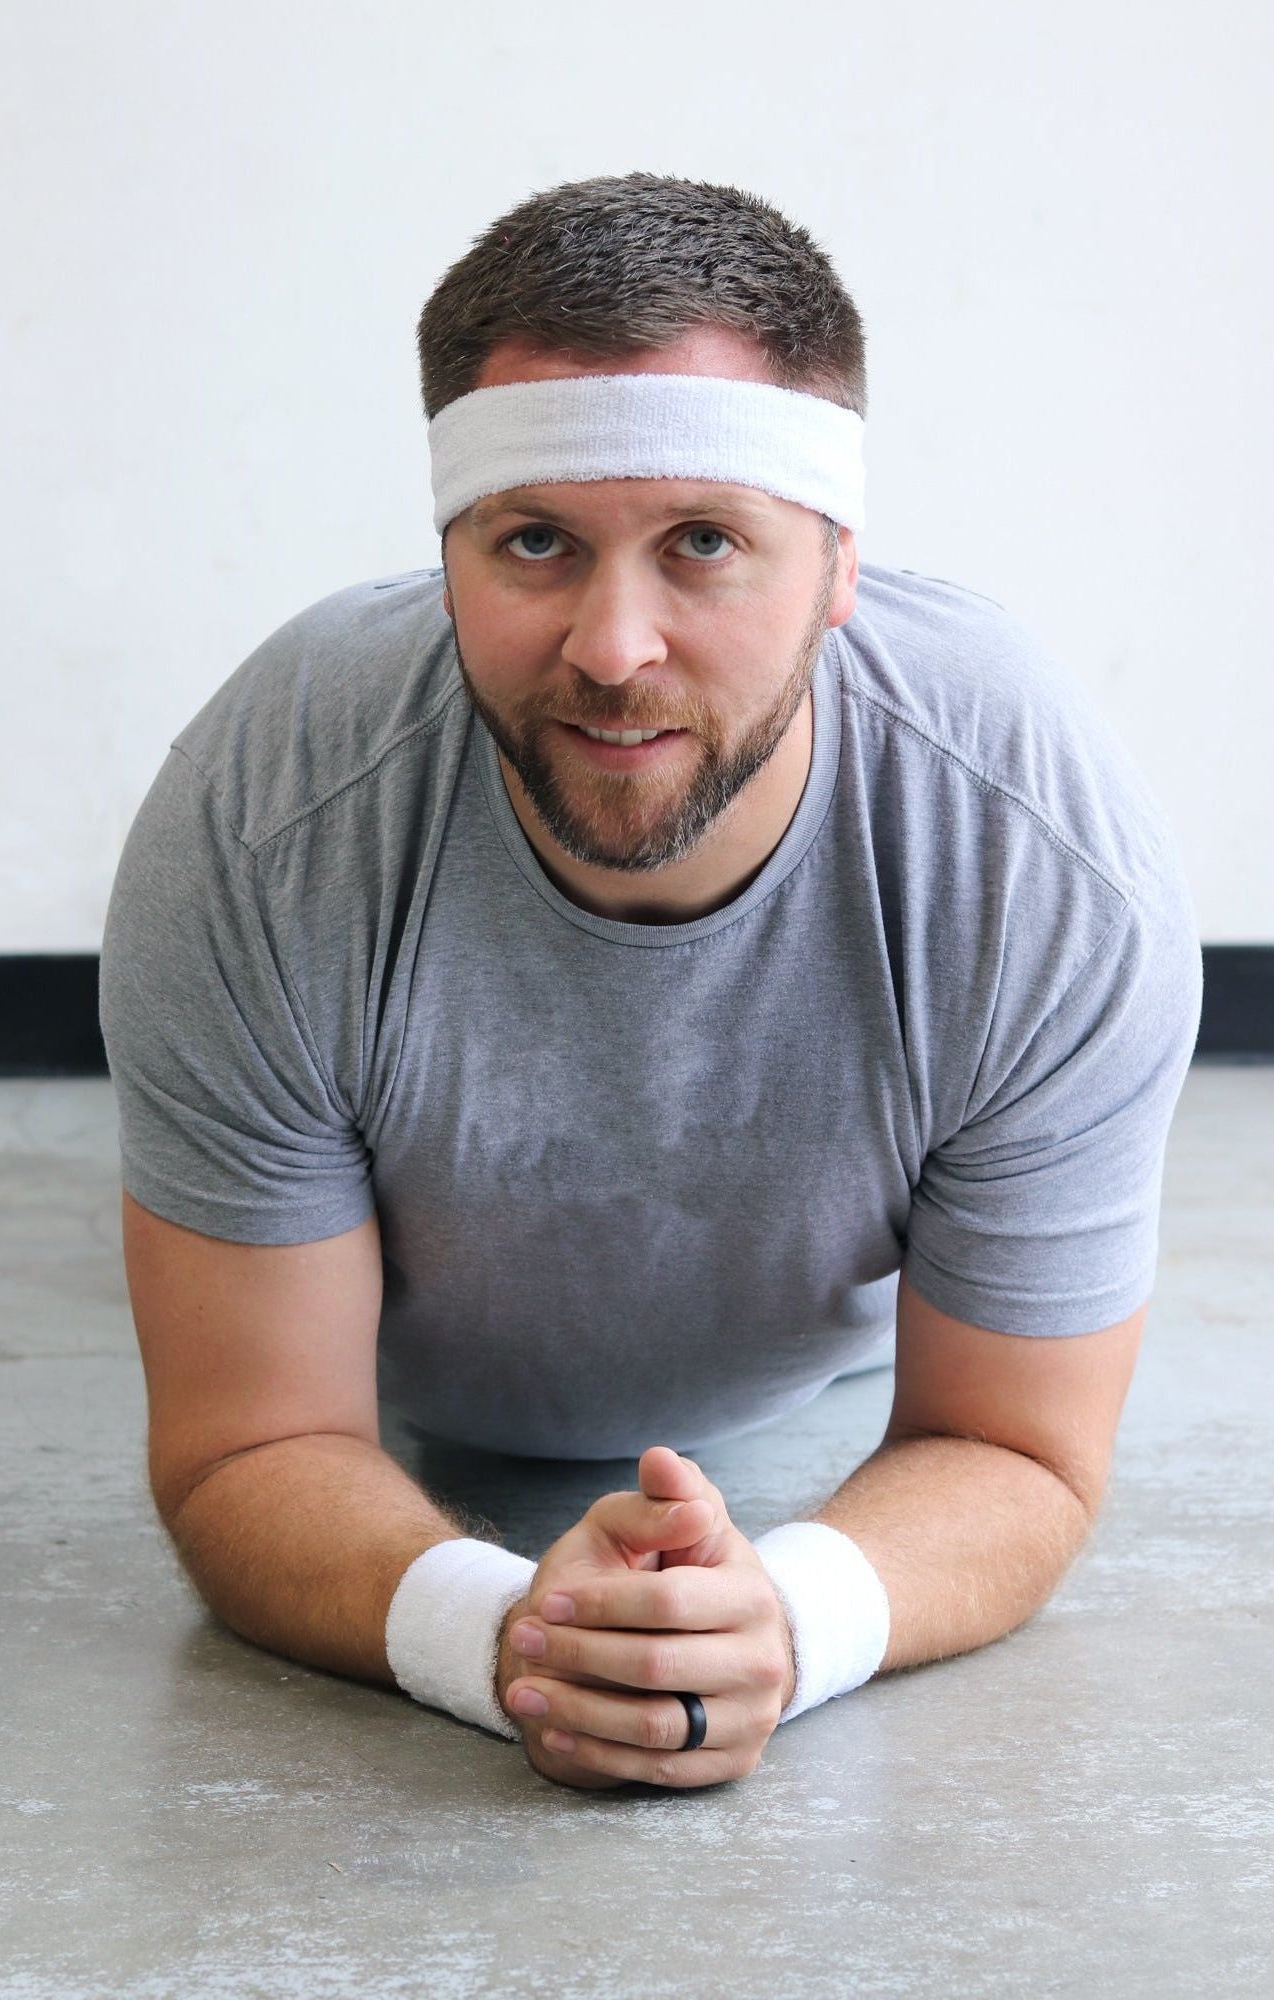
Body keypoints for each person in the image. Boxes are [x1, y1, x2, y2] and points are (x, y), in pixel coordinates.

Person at [98, 172, 1203, 1793]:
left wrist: (791, 1621)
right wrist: (508, 1638)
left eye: (705, 544)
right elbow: (253, 1441)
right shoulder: (266, 824)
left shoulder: (1035, 856)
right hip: (409, 1367)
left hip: (808, 1355)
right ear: (448, 555)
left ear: (837, 565)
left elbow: (1015, 1444)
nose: (615, 647)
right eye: (535, 541)